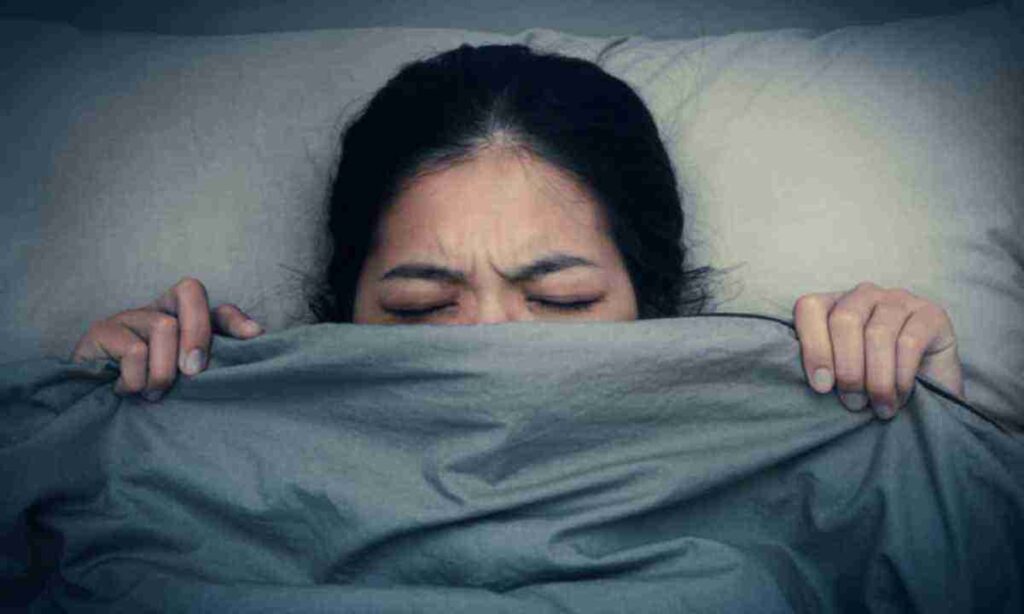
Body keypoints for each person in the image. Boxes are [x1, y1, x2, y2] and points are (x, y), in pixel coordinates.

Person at [69, 44, 964, 420]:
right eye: (422, 307)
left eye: (561, 299)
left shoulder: (790, 454)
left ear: (656, 305)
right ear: (338, 310)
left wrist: (929, 424)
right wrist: (94, 423)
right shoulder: (204, 444)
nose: (491, 348)